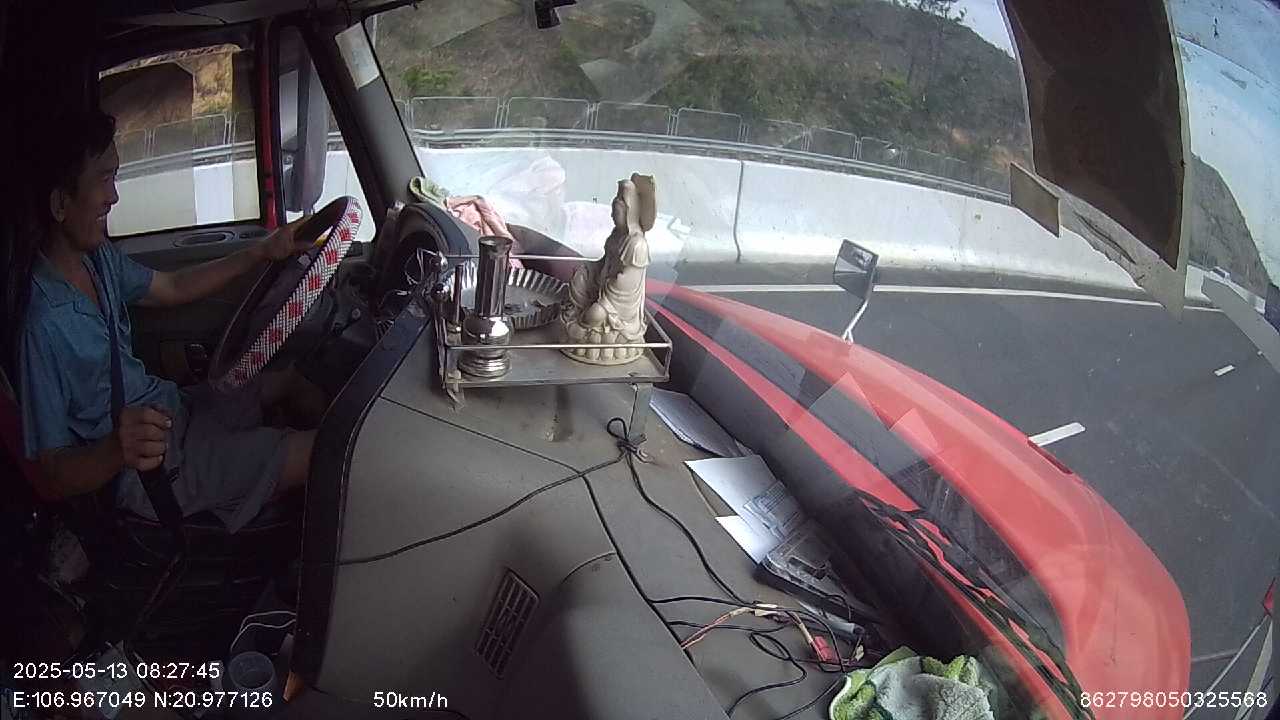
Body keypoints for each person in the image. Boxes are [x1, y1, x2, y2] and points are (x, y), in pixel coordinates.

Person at [17, 108, 318, 533]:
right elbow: (50, 475)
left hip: (176, 411)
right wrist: (116, 449)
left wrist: (260, 251)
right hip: (150, 470)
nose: (114, 197)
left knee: (287, 380)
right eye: (103, 179)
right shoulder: (41, 324)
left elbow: (173, 287)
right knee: (322, 451)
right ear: (60, 204)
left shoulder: (98, 260)